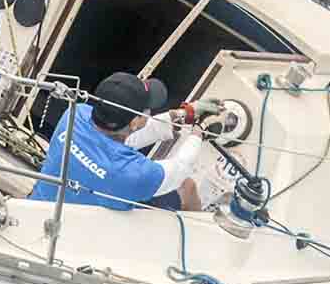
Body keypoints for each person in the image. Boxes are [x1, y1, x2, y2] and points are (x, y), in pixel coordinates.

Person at [29, 72, 223, 212]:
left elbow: (129, 136)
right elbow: (179, 168)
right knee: (187, 187)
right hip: (72, 237)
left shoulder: (75, 114)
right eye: (147, 109)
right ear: (135, 121)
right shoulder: (129, 173)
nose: (149, 111)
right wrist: (200, 133)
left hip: (34, 208)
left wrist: (183, 114)